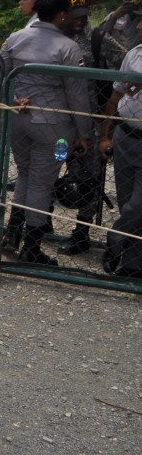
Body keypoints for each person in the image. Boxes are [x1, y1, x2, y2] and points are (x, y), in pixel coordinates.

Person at [0, 0, 93, 265]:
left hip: (17, 118)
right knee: (43, 181)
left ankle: (12, 234)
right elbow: (77, 95)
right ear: (62, 15)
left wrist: (12, 98)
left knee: (26, 174)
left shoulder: (15, 37)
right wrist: (83, 134)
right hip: (55, 128)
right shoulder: (68, 47)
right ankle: (32, 246)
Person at [55, 0, 104, 255]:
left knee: (89, 180)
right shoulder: (53, 40)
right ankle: (40, 223)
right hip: (60, 126)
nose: (79, 21)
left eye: (83, 16)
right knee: (51, 169)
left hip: (89, 125)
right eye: (74, 16)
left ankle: (81, 232)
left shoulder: (97, 38)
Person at [97, 16, 142, 278]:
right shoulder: (134, 54)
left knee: (138, 206)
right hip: (126, 136)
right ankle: (133, 265)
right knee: (126, 200)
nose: (137, 27)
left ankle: (115, 240)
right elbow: (115, 95)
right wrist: (106, 135)